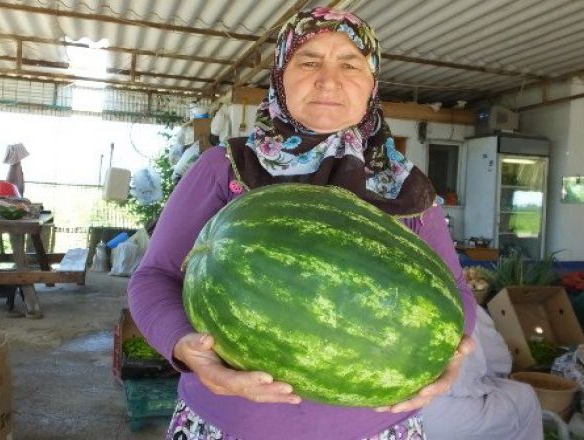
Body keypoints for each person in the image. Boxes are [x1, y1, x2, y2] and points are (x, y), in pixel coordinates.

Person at [128, 7, 476, 440]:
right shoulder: (225, 167)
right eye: (308, 61)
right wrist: (185, 348)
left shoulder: (406, 187)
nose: (329, 80)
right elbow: (153, 277)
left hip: (379, 430)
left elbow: (456, 290)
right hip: (230, 425)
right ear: (280, 76)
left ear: (372, 83)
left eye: (350, 64)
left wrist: (451, 358)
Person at [420, 304, 543, 440]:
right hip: (439, 420)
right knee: (525, 397)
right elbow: (499, 360)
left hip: (401, 422)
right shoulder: (457, 298)